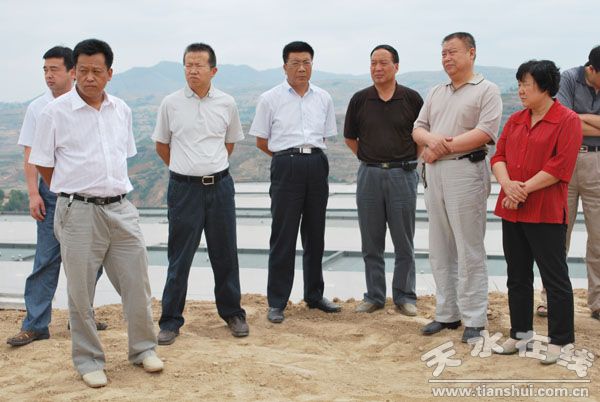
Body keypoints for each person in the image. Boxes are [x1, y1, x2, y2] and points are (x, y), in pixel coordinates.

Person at [29, 38, 162, 388]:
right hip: (78, 211)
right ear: (74, 72)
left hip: (120, 207)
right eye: (83, 71)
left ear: (109, 73)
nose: (89, 77)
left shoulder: (122, 110)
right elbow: (43, 164)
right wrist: (72, 191)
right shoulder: (55, 113)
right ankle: (88, 360)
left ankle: (143, 348)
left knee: (136, 282)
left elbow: (122, 156)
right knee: (81, 292)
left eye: (97, 71)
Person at [7, 46, 107, 348]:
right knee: (46, 260)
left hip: (87, 195)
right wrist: (34, 193)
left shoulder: (89, 103)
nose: (49, 76)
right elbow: (31, 153)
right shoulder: (38, 108)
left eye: (55, 70)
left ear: (71, 72)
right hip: (52, 196)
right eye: (45, 70)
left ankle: (81, 316)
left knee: (91, 261)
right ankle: (35, 324)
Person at [153, 43, 248, 344]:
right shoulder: (170, 103)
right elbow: (161, 145)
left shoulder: (227, 103)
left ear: (213, 70)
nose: (192, 71)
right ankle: (170, 320)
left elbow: (229, 143)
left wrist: (209, 168)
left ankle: (233, 313)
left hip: (220, 187)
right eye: (188, 65)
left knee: (225, 252)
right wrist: (186, 169)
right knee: (179, 257)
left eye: (198, 65)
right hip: (184, 190)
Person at [412, 32, 502, 342]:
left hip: (466, 170)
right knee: (439, 247)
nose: (447, 58)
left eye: (452, 52)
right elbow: (418, 129)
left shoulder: (487, 90)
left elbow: (485, 132)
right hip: (434, 172)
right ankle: (446, 313)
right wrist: (432, 143)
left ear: (471, 53)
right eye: (443, 53)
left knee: (468, 247)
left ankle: (474, 317)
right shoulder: (436, 91)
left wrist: (440, 147)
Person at [491, 60, 582, 363]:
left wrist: (522, 189)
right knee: (517, 275)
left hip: (545, 211)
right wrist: (508, 185)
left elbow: (560, 166)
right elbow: (498, 156)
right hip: (512, 209)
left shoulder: (567, 120)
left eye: (526, 84)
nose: (520, 90)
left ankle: (561, 340)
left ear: (544, 87)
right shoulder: (516, 119)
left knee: (554, 277)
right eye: (519, 84)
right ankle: (520, 334)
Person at [249, 41, 341, 323]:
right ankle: (277, 301)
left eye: (307, 62)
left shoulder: (323, 98)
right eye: (295, 63)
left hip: (316, 163)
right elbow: (262, 141)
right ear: (284, 66)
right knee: (283, 235)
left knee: (315, 233)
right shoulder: (270, 99)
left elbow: (325, 136)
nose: (302, 68)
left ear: (312, 64)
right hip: (285, 164)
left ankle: (314, 295)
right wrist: (286, 157)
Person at [344, 44, 423, 315]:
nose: (377, 68)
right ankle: (374, 296)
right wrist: (371, 158)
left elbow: (421, 137)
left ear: (396, 66)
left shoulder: (411, 99)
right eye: (373, 63)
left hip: (403, 174)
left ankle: (405, 296)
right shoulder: (360, 99)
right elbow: (350, 138)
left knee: (404, 240)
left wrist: (407, 162)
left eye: (383, 63)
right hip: (370, 175)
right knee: (371, 241)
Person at [537, 46, 600, 321]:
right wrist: (582, 121)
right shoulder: (568, 79)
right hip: (566, 159)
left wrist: (577, 117)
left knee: (599, 237)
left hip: (597, 162)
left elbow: (571, 119)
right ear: (591, 69)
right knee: (558, 233)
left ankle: (597, 301)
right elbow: (562, 121)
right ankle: (550, 298)